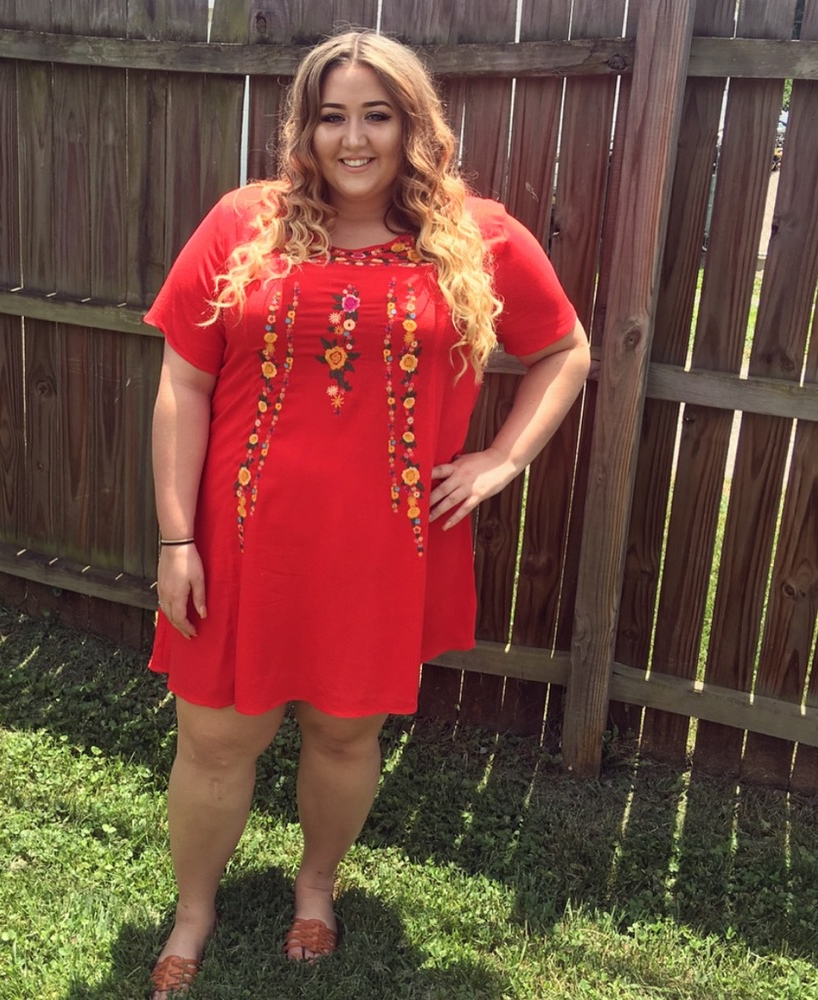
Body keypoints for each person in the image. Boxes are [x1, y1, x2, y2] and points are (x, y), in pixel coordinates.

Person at [145, 29, 590, 998]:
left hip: (382, 548)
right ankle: (194, 908)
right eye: (331, 116)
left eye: (376, 115)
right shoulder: (241, 224)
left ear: (412, 126)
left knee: (346, 734)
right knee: (215, 739)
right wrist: (176, 536)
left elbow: (564, 350)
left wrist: (503, 458)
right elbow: (181, 378)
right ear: (302, 130)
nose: (353, 139)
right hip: (235, 543)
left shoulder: (476, 237)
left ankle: (316, 885)